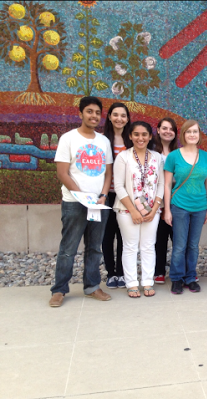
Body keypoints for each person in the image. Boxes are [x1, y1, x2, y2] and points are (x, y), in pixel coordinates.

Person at [49, 96, 113, 307]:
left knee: (95, 247)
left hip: (98, 204)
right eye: (89, 111)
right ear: (81, 114)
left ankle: (92, 286)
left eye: (97, 112)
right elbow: (62, 173)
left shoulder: (103, 141)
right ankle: (59, 290)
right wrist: (82, 196)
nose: (94, 116)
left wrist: (102, 195)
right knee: (68, 248)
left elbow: (108, 173)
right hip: (74, 203)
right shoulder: (68, 138)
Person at [113, 121, 164, 298]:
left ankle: (148, 281)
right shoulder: (123, 157)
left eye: (144, 134)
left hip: (152, 210)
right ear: (130, 136)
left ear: (150, 137)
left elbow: (162, 185)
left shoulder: (158, 157)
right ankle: (132, 283)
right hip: (127, 210)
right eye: (136, 134)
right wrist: (133, 210)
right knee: (130, 246)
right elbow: (118, 186)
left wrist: (155, 207)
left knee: (149, 246)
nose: (140, 138)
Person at [164, 120, 207, 294]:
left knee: (193, 245)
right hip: (179, 206)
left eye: (195, 132)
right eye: (189, 132)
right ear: (183, 134)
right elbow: (167, 184)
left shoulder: (206, 157)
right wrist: (167, 210)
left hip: (199, 207)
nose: (192, 134)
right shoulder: (173, 156)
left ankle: (190, 277)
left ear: (199, 135)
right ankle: (176, 278)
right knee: (179, 245)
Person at [102, 102, 131, 289]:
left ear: (128, 119)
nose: (119, 118)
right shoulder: (103, 140)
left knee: (124, 235)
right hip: (106, 195)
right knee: (107, 235)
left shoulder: (131, 140)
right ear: (110, 117)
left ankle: (121, 272)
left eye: (123, 115)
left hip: (126, 196)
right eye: (116, 115)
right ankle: (110, 273)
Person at [152, 118, 179, 284]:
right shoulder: (151, 151)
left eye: (171, 129)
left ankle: (178, 269)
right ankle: (159, 270)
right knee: (159, 236)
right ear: (158, 130)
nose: (168, 131)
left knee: (178, 237)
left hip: (176, 199)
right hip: (156, 200)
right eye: (164, 128)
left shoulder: (179, 153)